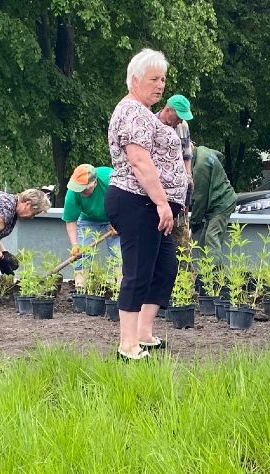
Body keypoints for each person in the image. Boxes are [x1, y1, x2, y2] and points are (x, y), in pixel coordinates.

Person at [105, 48, 188, 360]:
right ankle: (127, 347)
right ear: (134, 80)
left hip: (151, 204)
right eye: (154, 79)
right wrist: (162, 203)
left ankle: (143, 333)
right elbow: (139, 161)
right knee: (138, 271)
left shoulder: (143, 112)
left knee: (165, 267)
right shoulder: (133, 112)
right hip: (137, 201)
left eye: (163, 79)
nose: (160, 85)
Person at [61, 163, 119, 289]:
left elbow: (126, 201)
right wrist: (75, 245)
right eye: (79, 188)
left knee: (119, 253)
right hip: (88, 219)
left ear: (95, 183)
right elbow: (70, 220)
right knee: (82, 254)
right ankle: (80, 288)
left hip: (114, 217)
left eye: (85, 189)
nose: (81, 191)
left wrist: (120, 222)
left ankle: (121, 289)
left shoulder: (111, 179)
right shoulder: (73, 192)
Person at [158, 94, 194, 250]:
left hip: (179, 193)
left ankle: (183, 265)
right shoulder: (152, 124)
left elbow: (187, 154)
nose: (180, 120)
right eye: (179, 116)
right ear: (168, 110)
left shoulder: (183, 126)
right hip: (158, 192)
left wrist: (188, 176)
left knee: (181, 239)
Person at [189, 145, 237, 264]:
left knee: (211, 237)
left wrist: (194, 223)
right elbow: (220, 156)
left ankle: (215, 273)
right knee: (204, 240)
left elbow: (200, 199)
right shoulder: (203, 150)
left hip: (222, 202)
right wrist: (217, 175)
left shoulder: (200, 168)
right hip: (221, 198)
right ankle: (205, 270)